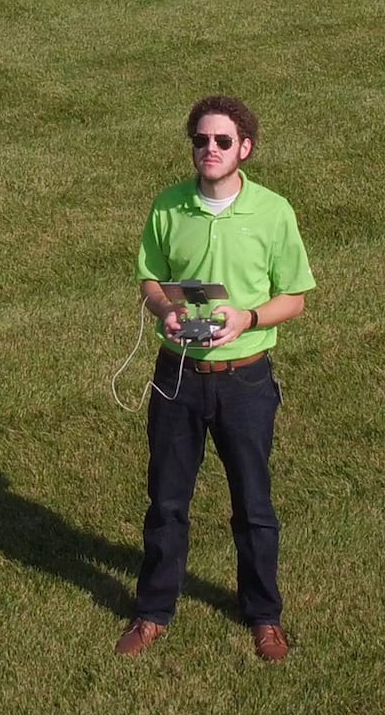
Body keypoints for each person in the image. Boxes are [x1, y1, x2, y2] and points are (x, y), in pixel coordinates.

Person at [115, 95, 316, 663]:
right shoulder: (168, 207)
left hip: (245, 380)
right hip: (176, 375)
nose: (210, 149)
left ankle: (264, 617)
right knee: (167, 501)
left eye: (222, 141)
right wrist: (164, 310)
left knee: (253, 504)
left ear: (244, 149)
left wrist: (247, 318)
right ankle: (153, 613)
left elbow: (295, 298)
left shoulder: (274, 212)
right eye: (201, 140)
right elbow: (151, 280)